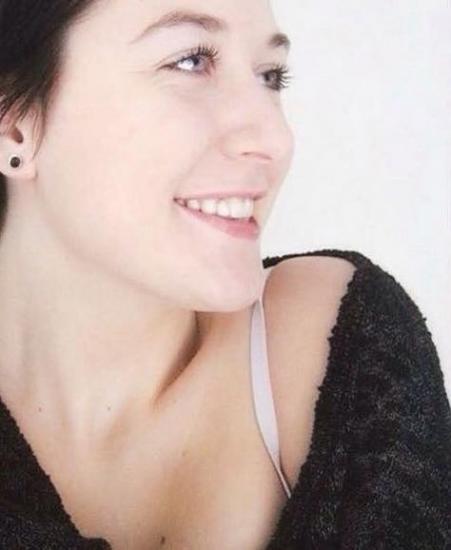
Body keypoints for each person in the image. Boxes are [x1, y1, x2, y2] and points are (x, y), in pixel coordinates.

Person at [0, 1, 450, 549]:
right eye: (191, 60)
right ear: (14, 125)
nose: (275, 139)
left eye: (271, 76)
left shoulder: (333, 344)